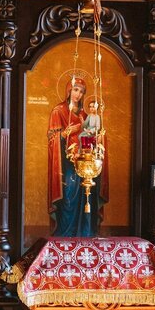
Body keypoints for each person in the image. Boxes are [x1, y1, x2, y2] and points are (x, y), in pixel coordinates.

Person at [47, 76, 106, 237]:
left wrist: (99, 138)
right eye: (75, 90)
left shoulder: (85, 116)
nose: (78, 94)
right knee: (68, 196)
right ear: (69, 90)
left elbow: (91, 136)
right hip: (66, 165)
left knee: (86, 196)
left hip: (84, 163)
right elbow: (52, 139)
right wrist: (66, 133)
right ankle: (65, 235)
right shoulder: (58, 111)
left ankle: (84, 233)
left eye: (81, 92)